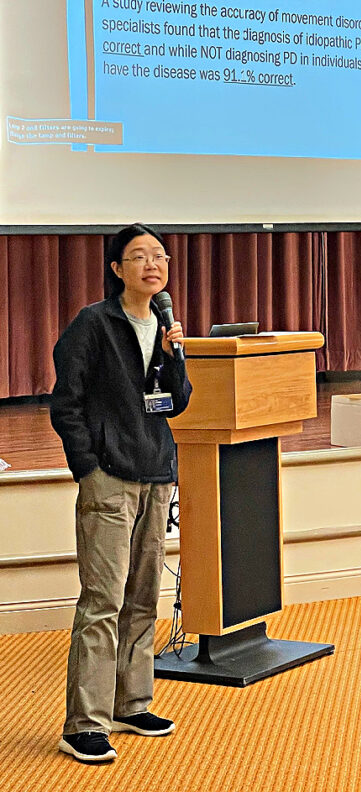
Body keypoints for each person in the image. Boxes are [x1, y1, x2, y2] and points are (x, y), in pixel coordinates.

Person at [50, 223, 192, 764]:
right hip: (108, 475)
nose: (152, 265)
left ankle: (132, 703)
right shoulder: (94, 323)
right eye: (139, 257)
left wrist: (176, 354)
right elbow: (66, 402)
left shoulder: (163, 322)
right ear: (117, 269)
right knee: (102, 601)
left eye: (159, 256)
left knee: (141, 598)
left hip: (156, 473)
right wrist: (87, 466)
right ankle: (84, 723)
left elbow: (175, 403)